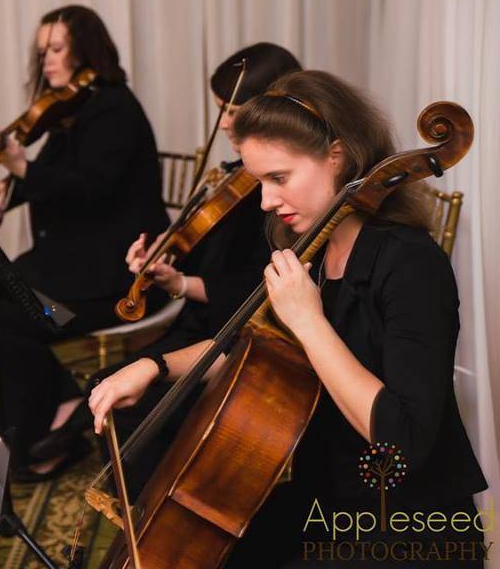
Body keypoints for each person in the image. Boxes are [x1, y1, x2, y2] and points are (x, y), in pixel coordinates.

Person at [89, 70, 487, 566]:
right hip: (327, 494)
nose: (267, 200)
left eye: (279, 178)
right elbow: (248, 349)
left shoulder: (410, 264)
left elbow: (400, 439)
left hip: (404, 523)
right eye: (261, 181)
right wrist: (156, 367)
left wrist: (309, 321)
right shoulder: (310, 252)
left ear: (336, 156)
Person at [29, 43, 302, 494]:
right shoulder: (239, 176)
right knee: (108, 382)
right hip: (198, 323)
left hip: (232, 335)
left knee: (118, 396)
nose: (226, 124)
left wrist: (185, 284)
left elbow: (257, 289)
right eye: (221, 110)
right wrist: (162, 264)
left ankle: (152, 505)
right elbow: (204, 249)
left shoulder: (275, 195)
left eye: (237, 110)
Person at [0, 5, 170, 482]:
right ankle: (62, 399)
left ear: (85, 49)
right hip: (65, 265)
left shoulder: (114, 108)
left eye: (56, 50)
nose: (47, 62)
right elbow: (55, 176)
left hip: (112, 279)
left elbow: (89, 187)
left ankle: (38, 436)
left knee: (7, 316)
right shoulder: (72, 109)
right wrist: (8, 192)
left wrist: (20, 169)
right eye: (42, 53)